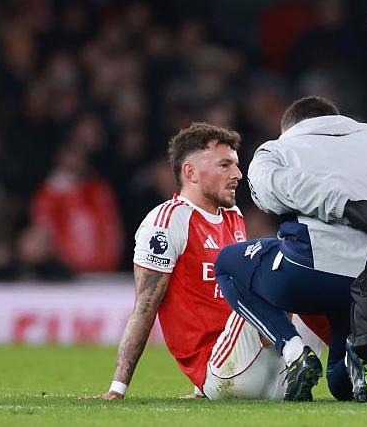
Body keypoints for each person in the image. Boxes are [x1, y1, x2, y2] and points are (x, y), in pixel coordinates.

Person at [213, 96, 367, 402]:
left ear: (291, 127)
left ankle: (293, 351)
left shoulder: (277, 148)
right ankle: (361, 357)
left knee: (226, 263)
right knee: (341, 386)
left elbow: (270, 188)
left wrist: (346, 206)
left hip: (313, 275)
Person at [85, 123, 287, 401]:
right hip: (224, 373)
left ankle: (342, 371)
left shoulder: (234, 217)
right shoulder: (167, 222)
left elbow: (221, 304)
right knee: (286, 274)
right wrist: (117, 389)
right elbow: (145, 307)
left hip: (265, 375)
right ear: (190, 172)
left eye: (236, 165)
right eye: (225, 165)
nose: (238, 175)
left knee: (311, 275)